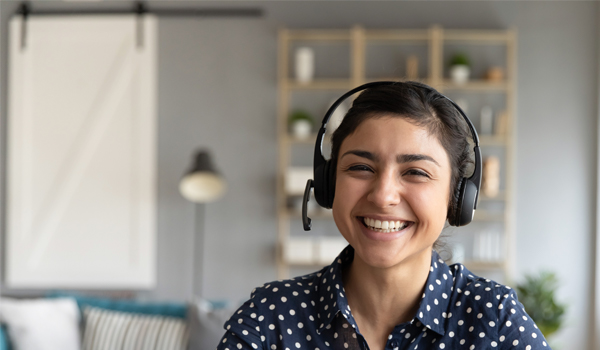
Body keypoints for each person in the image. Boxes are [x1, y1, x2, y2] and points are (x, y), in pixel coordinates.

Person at [217, 82, 550, 350]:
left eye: (416, 172)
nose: (383, 195)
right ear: (328, 184)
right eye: (361, 167)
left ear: (456, 197)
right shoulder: (270, 317)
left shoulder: (495, 319)